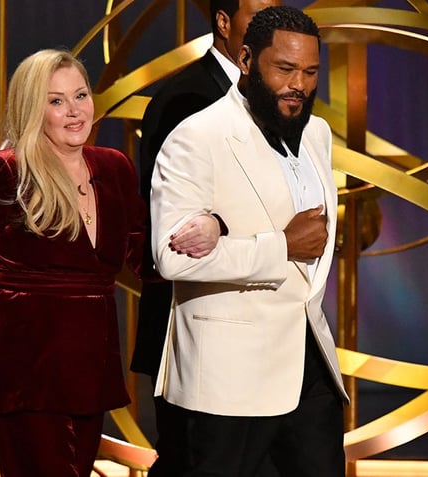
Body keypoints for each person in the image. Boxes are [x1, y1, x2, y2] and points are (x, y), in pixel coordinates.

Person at [0, 48, 218, 477]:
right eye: (56, 101)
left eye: (80, 95)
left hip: (90, 369)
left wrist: (213, 231)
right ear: (32, 108)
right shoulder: (10, 171)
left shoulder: (113, 167)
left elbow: (145, 258)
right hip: (25, 372)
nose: (74, 111)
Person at [150, 6, 348, 476]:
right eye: (283, 69)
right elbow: (171, 260)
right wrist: (281, 247)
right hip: (230, 377)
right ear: (245, 59)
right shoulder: (196, 138)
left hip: (309, 365)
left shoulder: (316, 133)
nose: (297, 83)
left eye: (309, 71)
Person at [131, 1, 280, 474]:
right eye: (261, 15)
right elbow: (173, 226)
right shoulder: (183, 97)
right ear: (222, 21)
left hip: (266, 325)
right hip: (194, 325)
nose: (272, 25)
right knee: (190, 461)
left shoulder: (280, 98)